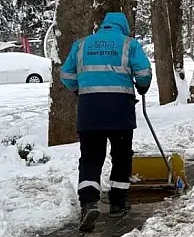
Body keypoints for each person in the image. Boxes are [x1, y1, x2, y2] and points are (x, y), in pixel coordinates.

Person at [60, 12, 152, 232]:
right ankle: (118, 203)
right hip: (119, 108)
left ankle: (89, 203)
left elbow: (66, 75)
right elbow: (144, 71)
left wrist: (78, 89)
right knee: (121, 155)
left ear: (102, 26)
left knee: (91, 158)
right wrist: (142, 86)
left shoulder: (81, 45)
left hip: (89, 108)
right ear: (123, 27)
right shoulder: (128, 44)